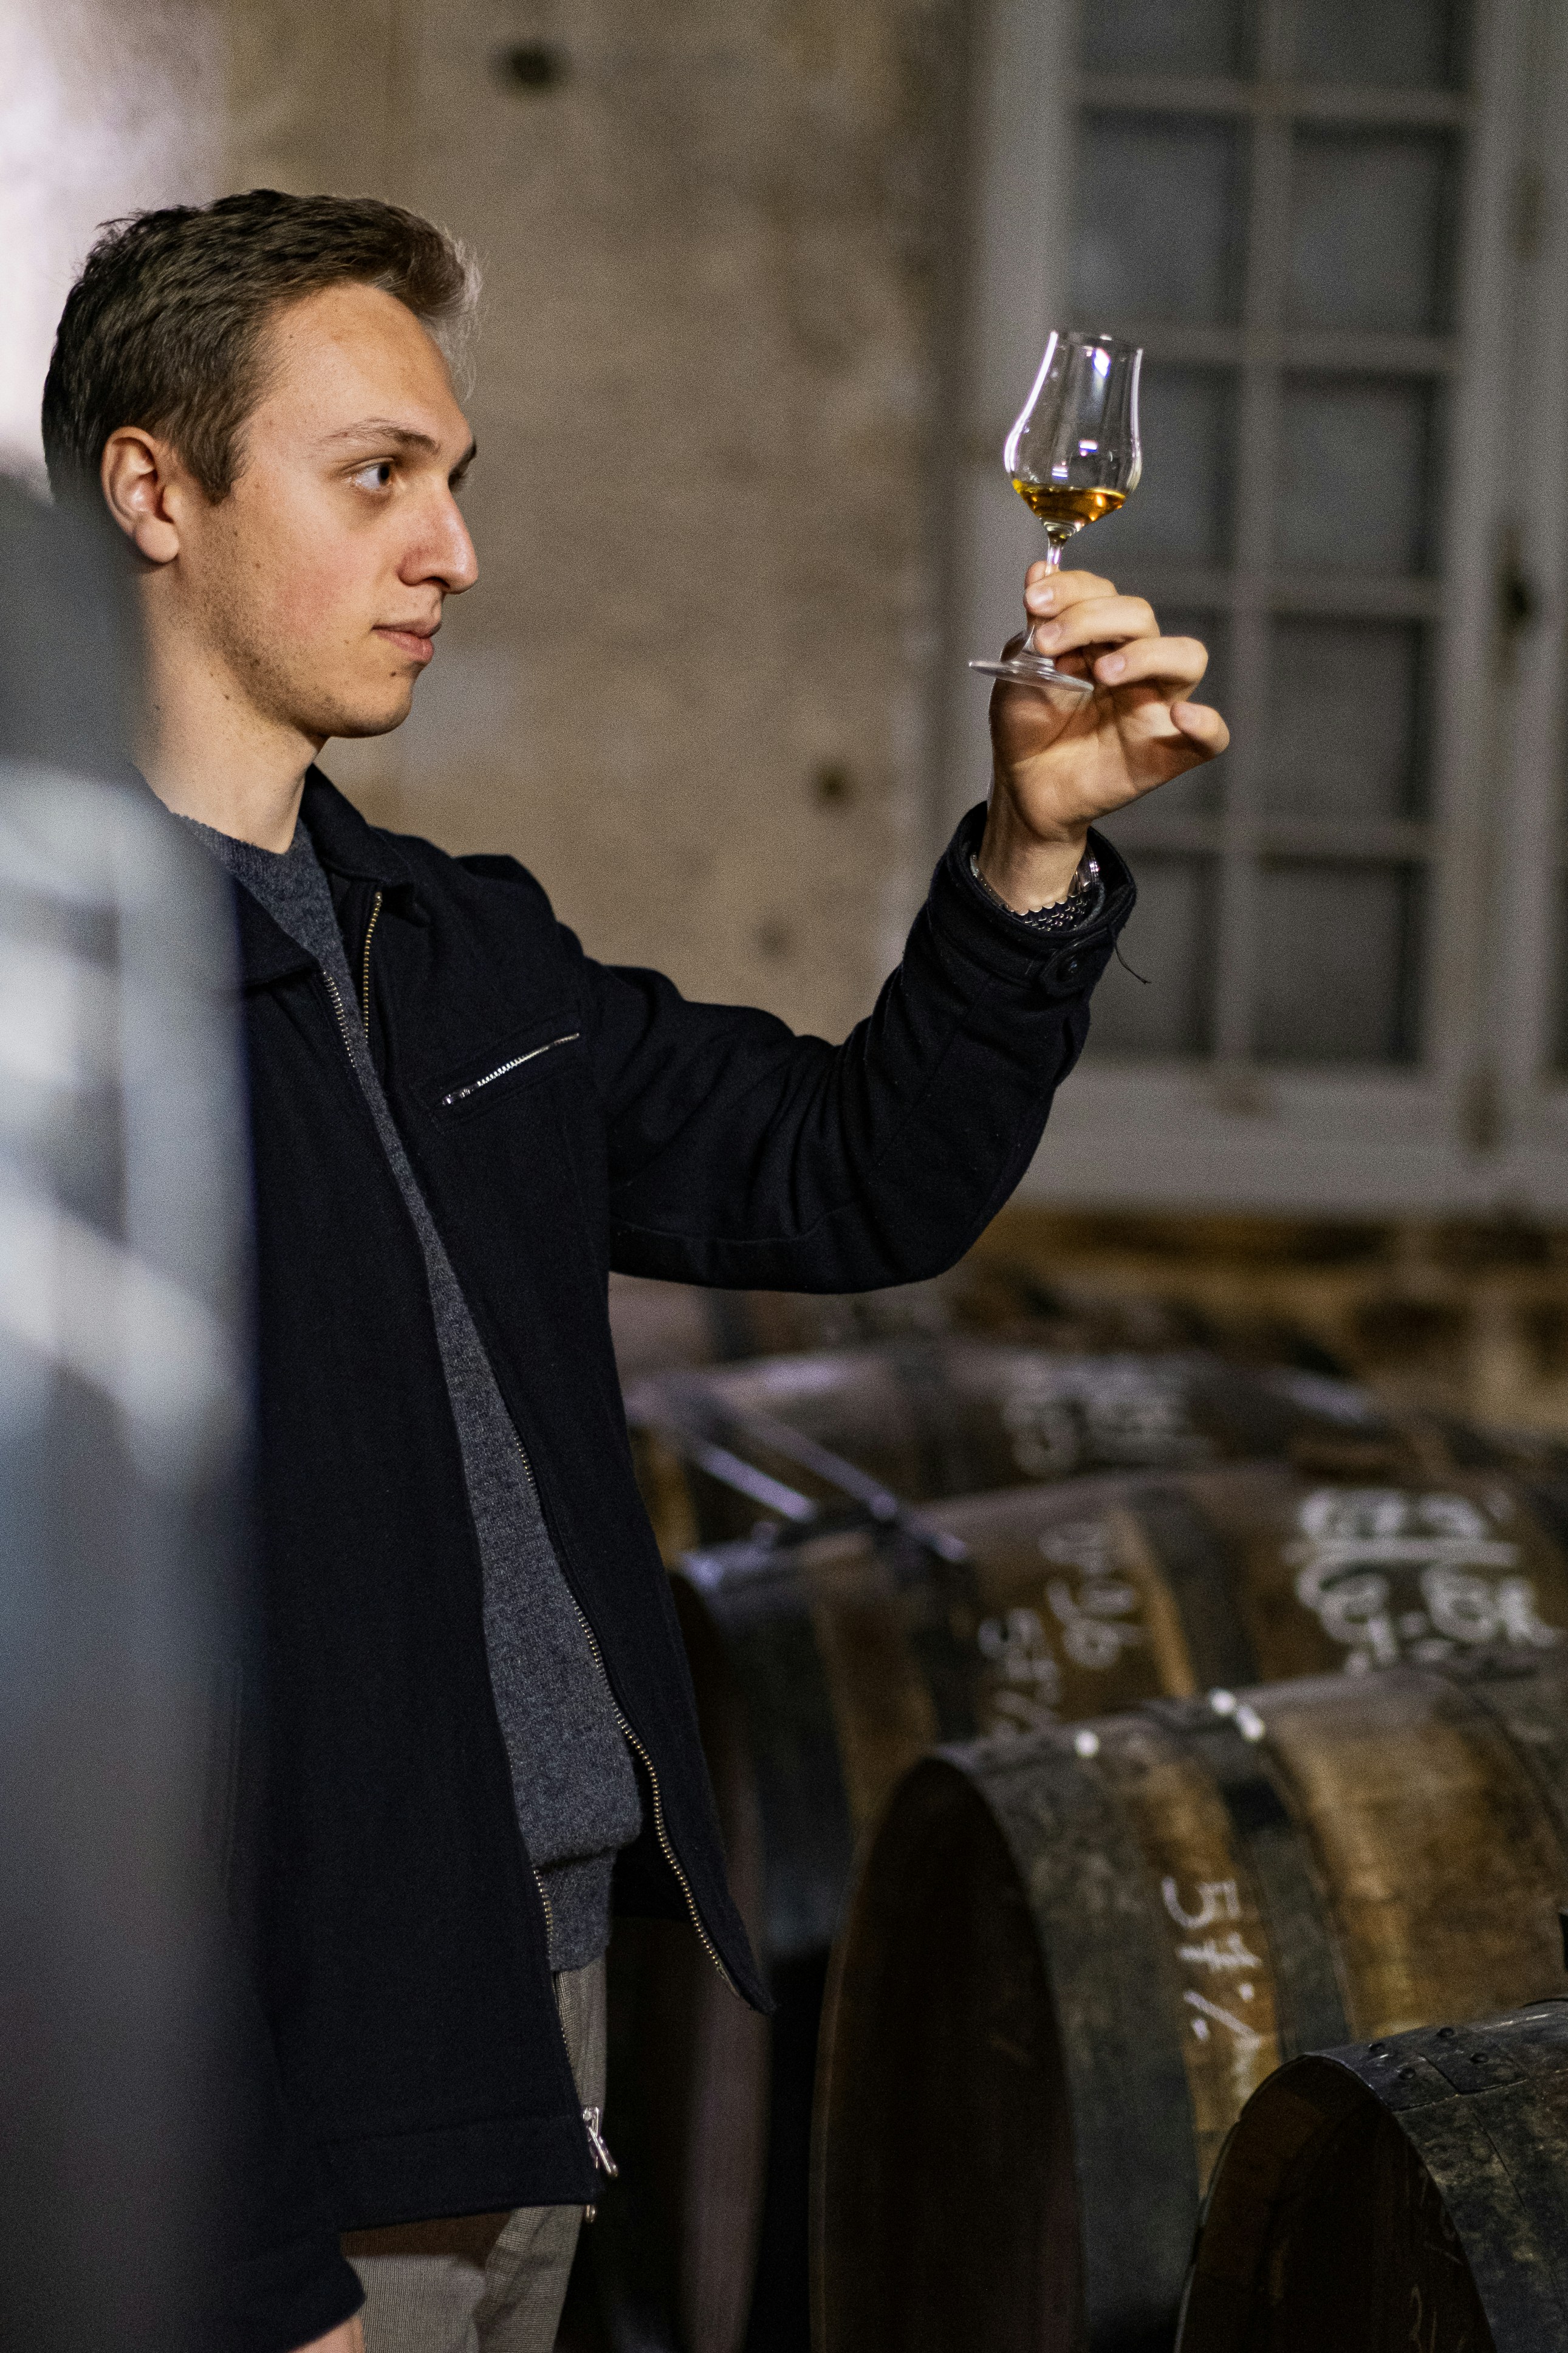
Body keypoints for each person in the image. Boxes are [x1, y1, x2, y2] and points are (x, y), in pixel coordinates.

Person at [41, 190, 1228, 2353]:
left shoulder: (459, 946)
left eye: (456, 484)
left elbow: (851, 1180)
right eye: (377, 477)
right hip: (253, 2097)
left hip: (542, 2016)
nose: (453, 554)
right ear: (154, 490)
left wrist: (1032, 854)